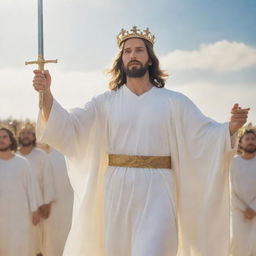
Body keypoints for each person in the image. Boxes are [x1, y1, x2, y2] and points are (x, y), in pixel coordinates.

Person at [33, 26, 249, 256]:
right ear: (121, 59)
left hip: (159, 189)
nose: (132, 55)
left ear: (149, 59)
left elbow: (205, 136)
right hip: (117, 189)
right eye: (127, 51)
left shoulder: (174, 102)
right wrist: (46, 94)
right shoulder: (104, 102)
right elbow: (69, 127)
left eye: (139, 50)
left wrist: (231, 127)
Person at [0, 127, 40, 256]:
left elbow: (31, 188)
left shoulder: (22, 163)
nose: (1, 140)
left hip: (20, 217)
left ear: (11, 140)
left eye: (4, 137)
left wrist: (35, 210)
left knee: (20, 248)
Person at [17, 124, 56, 256]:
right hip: (16, 206)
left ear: (34, 137)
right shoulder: (13, 157)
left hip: (37, 206)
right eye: (23, 133)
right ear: (19, 136)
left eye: (29, 133)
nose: (26, 135)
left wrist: (46, 203)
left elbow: (48, 179)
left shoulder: (41, 156)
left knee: (36, 242)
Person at [39, 143, 73, 256]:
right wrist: (47, 202)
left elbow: (47, 182)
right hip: (56, 206)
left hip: (63, 203)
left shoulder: (51, 156)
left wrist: (46, 201)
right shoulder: (52, 156)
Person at [230, 128, 256, 256]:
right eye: (247, 139)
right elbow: (230, 189)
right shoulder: (233, 162)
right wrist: (244, 209)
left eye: (253, 139)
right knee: (238, 247)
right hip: (238, 213)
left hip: (255, 212)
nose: (250, 141)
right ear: (241, 143)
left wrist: (253, 208)